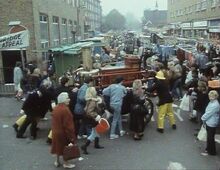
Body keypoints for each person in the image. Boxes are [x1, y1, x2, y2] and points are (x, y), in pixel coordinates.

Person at [51, 92, 76, 168]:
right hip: (63, 133)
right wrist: (71, 137)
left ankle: (57, 161)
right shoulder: (66, 110)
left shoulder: (56, 108)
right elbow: (68, 126)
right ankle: (66, 163)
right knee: (66, 147)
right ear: (64, 100)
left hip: (55, 131)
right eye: (67, 98)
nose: (69, 99)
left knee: (57, 147)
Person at [81, 87, 103, 154]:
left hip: (89, 119)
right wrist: (96, 115)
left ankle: (96, 144)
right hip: (93, 119)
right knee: (94, 133)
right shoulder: (93, 101)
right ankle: (85, 146)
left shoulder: (89, 100)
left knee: (95, 131)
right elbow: (89, 112)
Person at [201, 90, 220, 156]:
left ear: (215, 97)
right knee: (209, 137)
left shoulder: (215, 105)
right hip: (210, 121)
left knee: (210, 138)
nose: (210, 98)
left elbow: (208, 113)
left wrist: (203, 119)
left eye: (212, 96)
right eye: (209, 96)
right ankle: (208, 149)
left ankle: (212, 151)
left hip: (212, 122)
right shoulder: (212, 102)